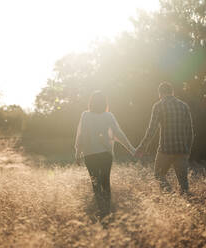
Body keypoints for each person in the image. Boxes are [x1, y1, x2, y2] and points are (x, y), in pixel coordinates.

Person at [75, 91, 135, 219]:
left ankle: (101, 212)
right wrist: (131, 149)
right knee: (105, 182)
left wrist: (77, 152)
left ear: (91, 103)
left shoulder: (85, 115)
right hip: (105, 155)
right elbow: (118, 133)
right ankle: (107, 211)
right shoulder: (108, 116)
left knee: (95, 183)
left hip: (90, 155)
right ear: (104, 103)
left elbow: (81, 135)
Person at [135, 82, 194, 194]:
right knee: (184, 183)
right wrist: (187, 150)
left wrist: (142, 147)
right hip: (182, 150)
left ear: (160, 93)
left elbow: (151, 130)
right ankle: (186, 205)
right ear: (172, 92)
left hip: (165, 150)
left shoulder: (158, 106)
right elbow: (190, 131)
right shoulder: (183, 106)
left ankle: (169, 196)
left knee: (158, 174)